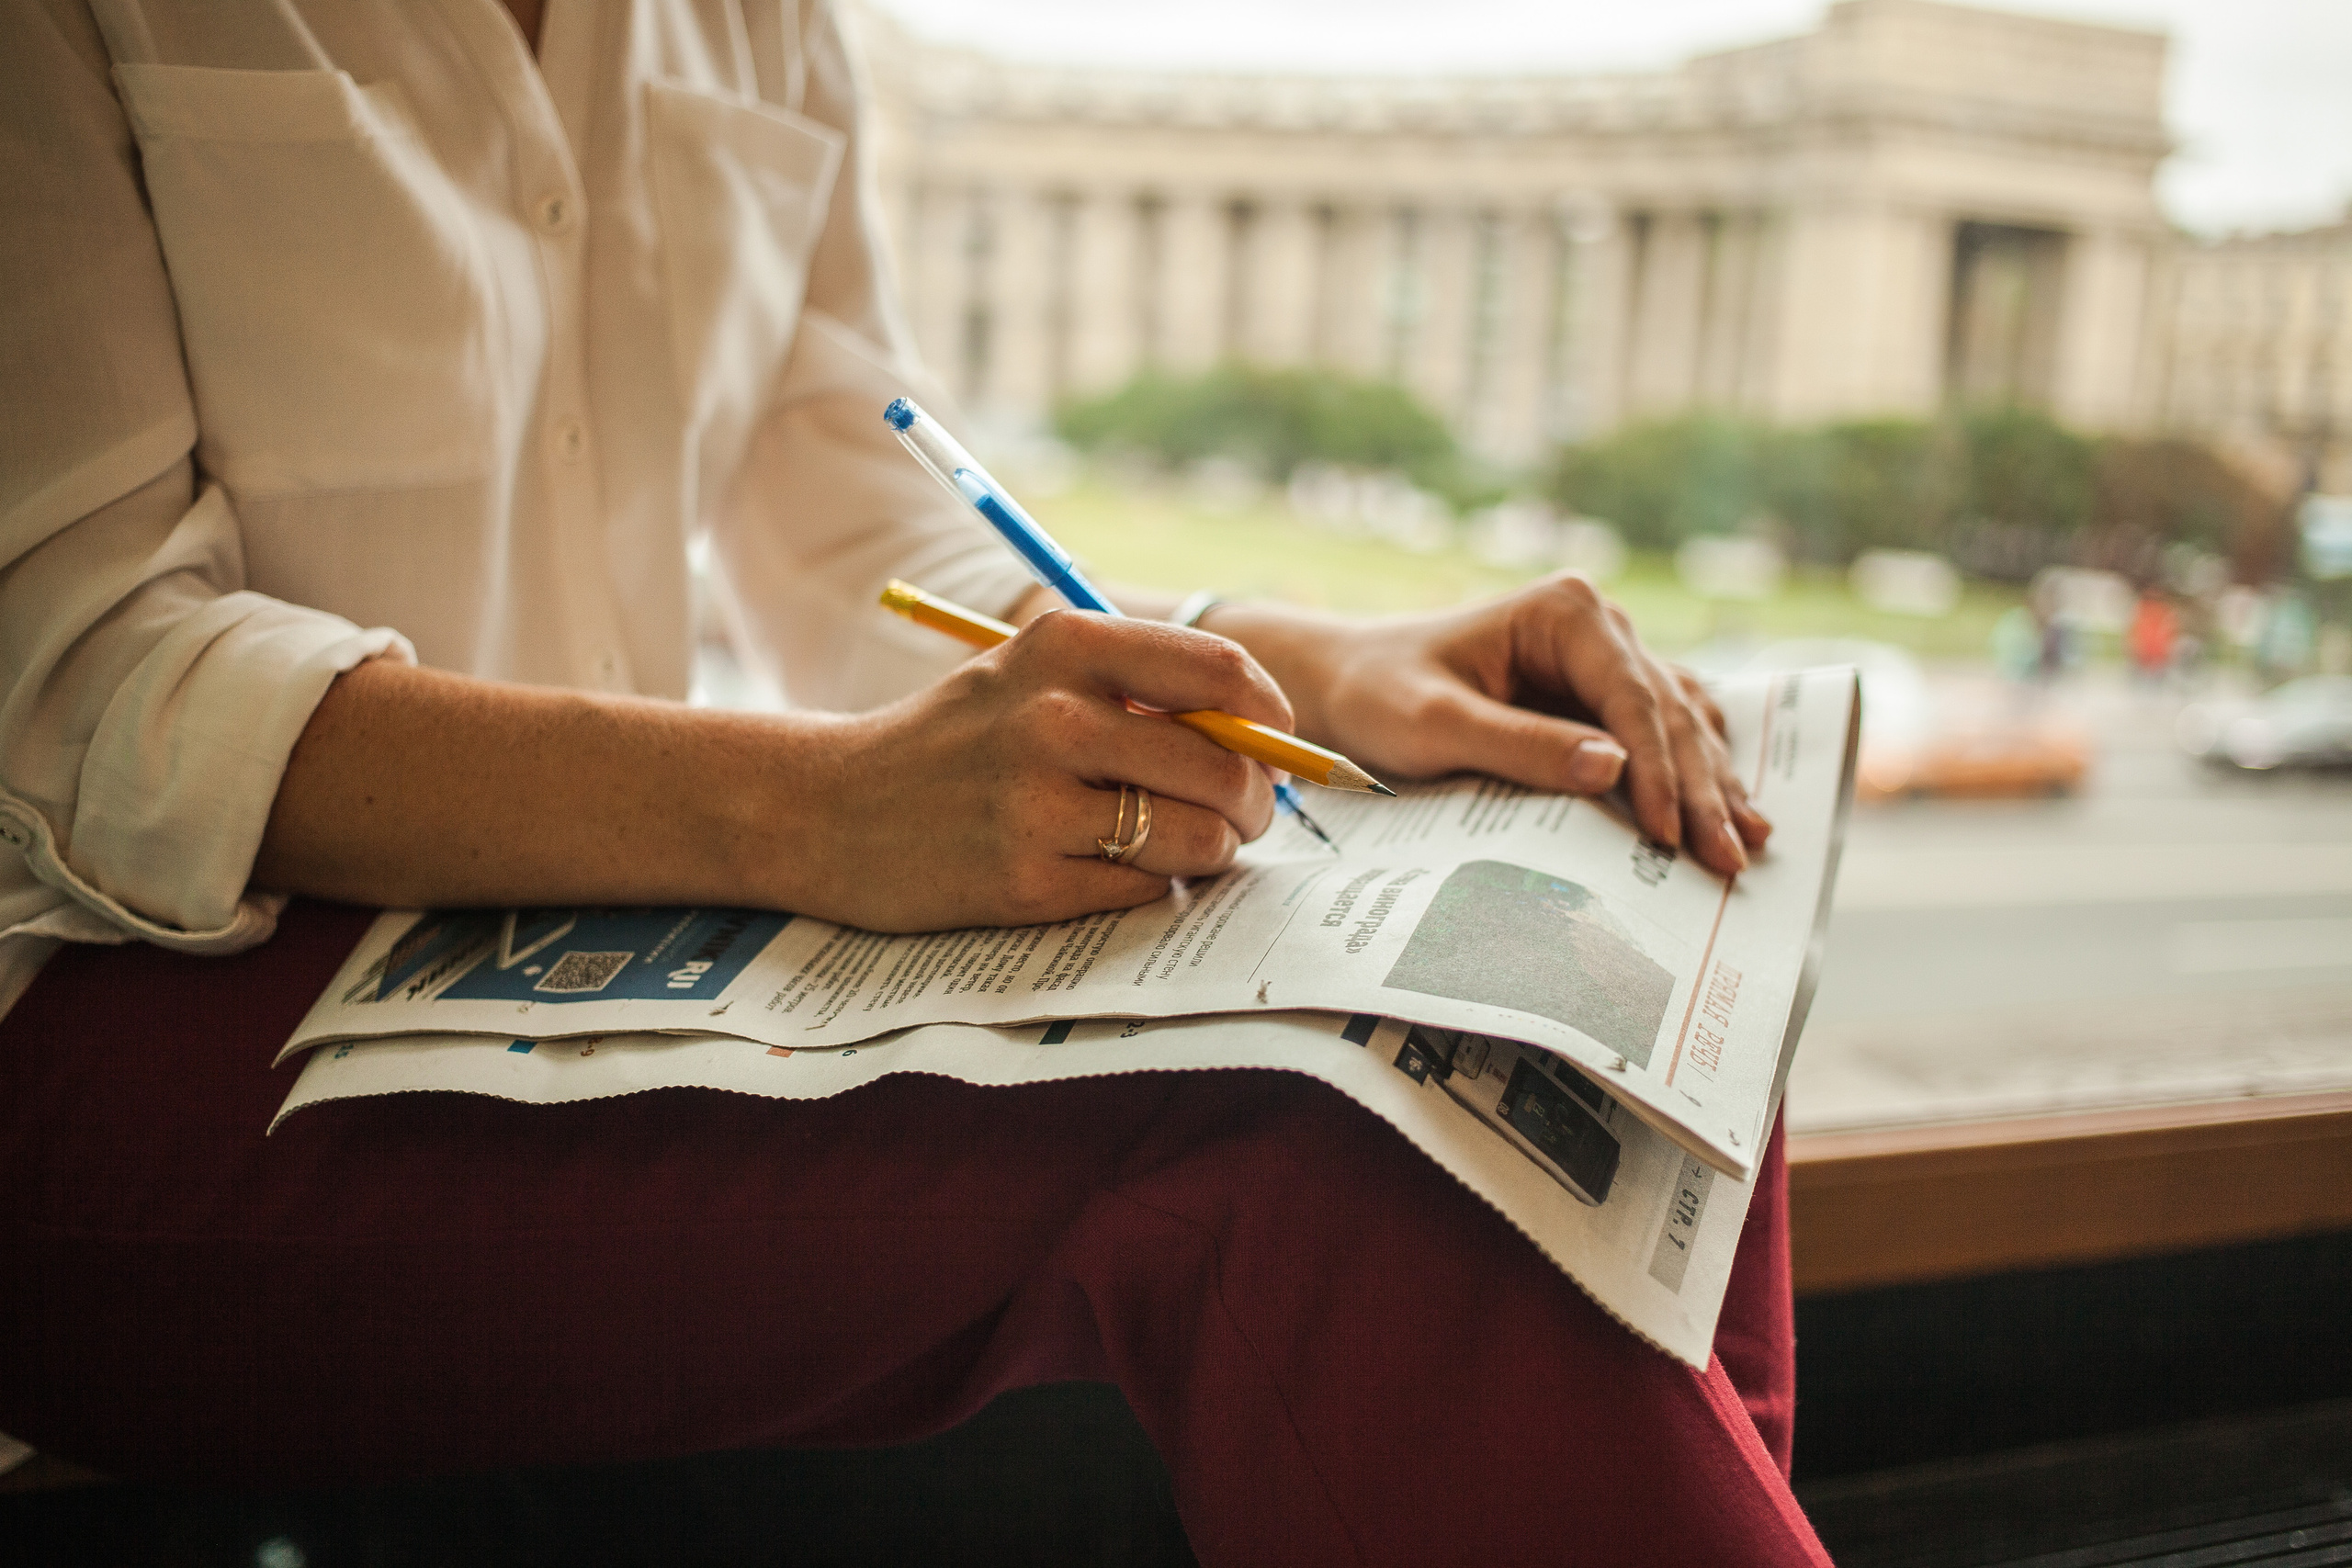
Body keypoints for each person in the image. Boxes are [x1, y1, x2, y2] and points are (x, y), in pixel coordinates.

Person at [0, 3, 1816, 1563]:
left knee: (1593, 948)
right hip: (107, 1010)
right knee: (1343, 1137)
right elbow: (79, 671)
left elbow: (844, 511)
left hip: (582, 939)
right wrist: (802, 806)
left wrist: (1286, 659)